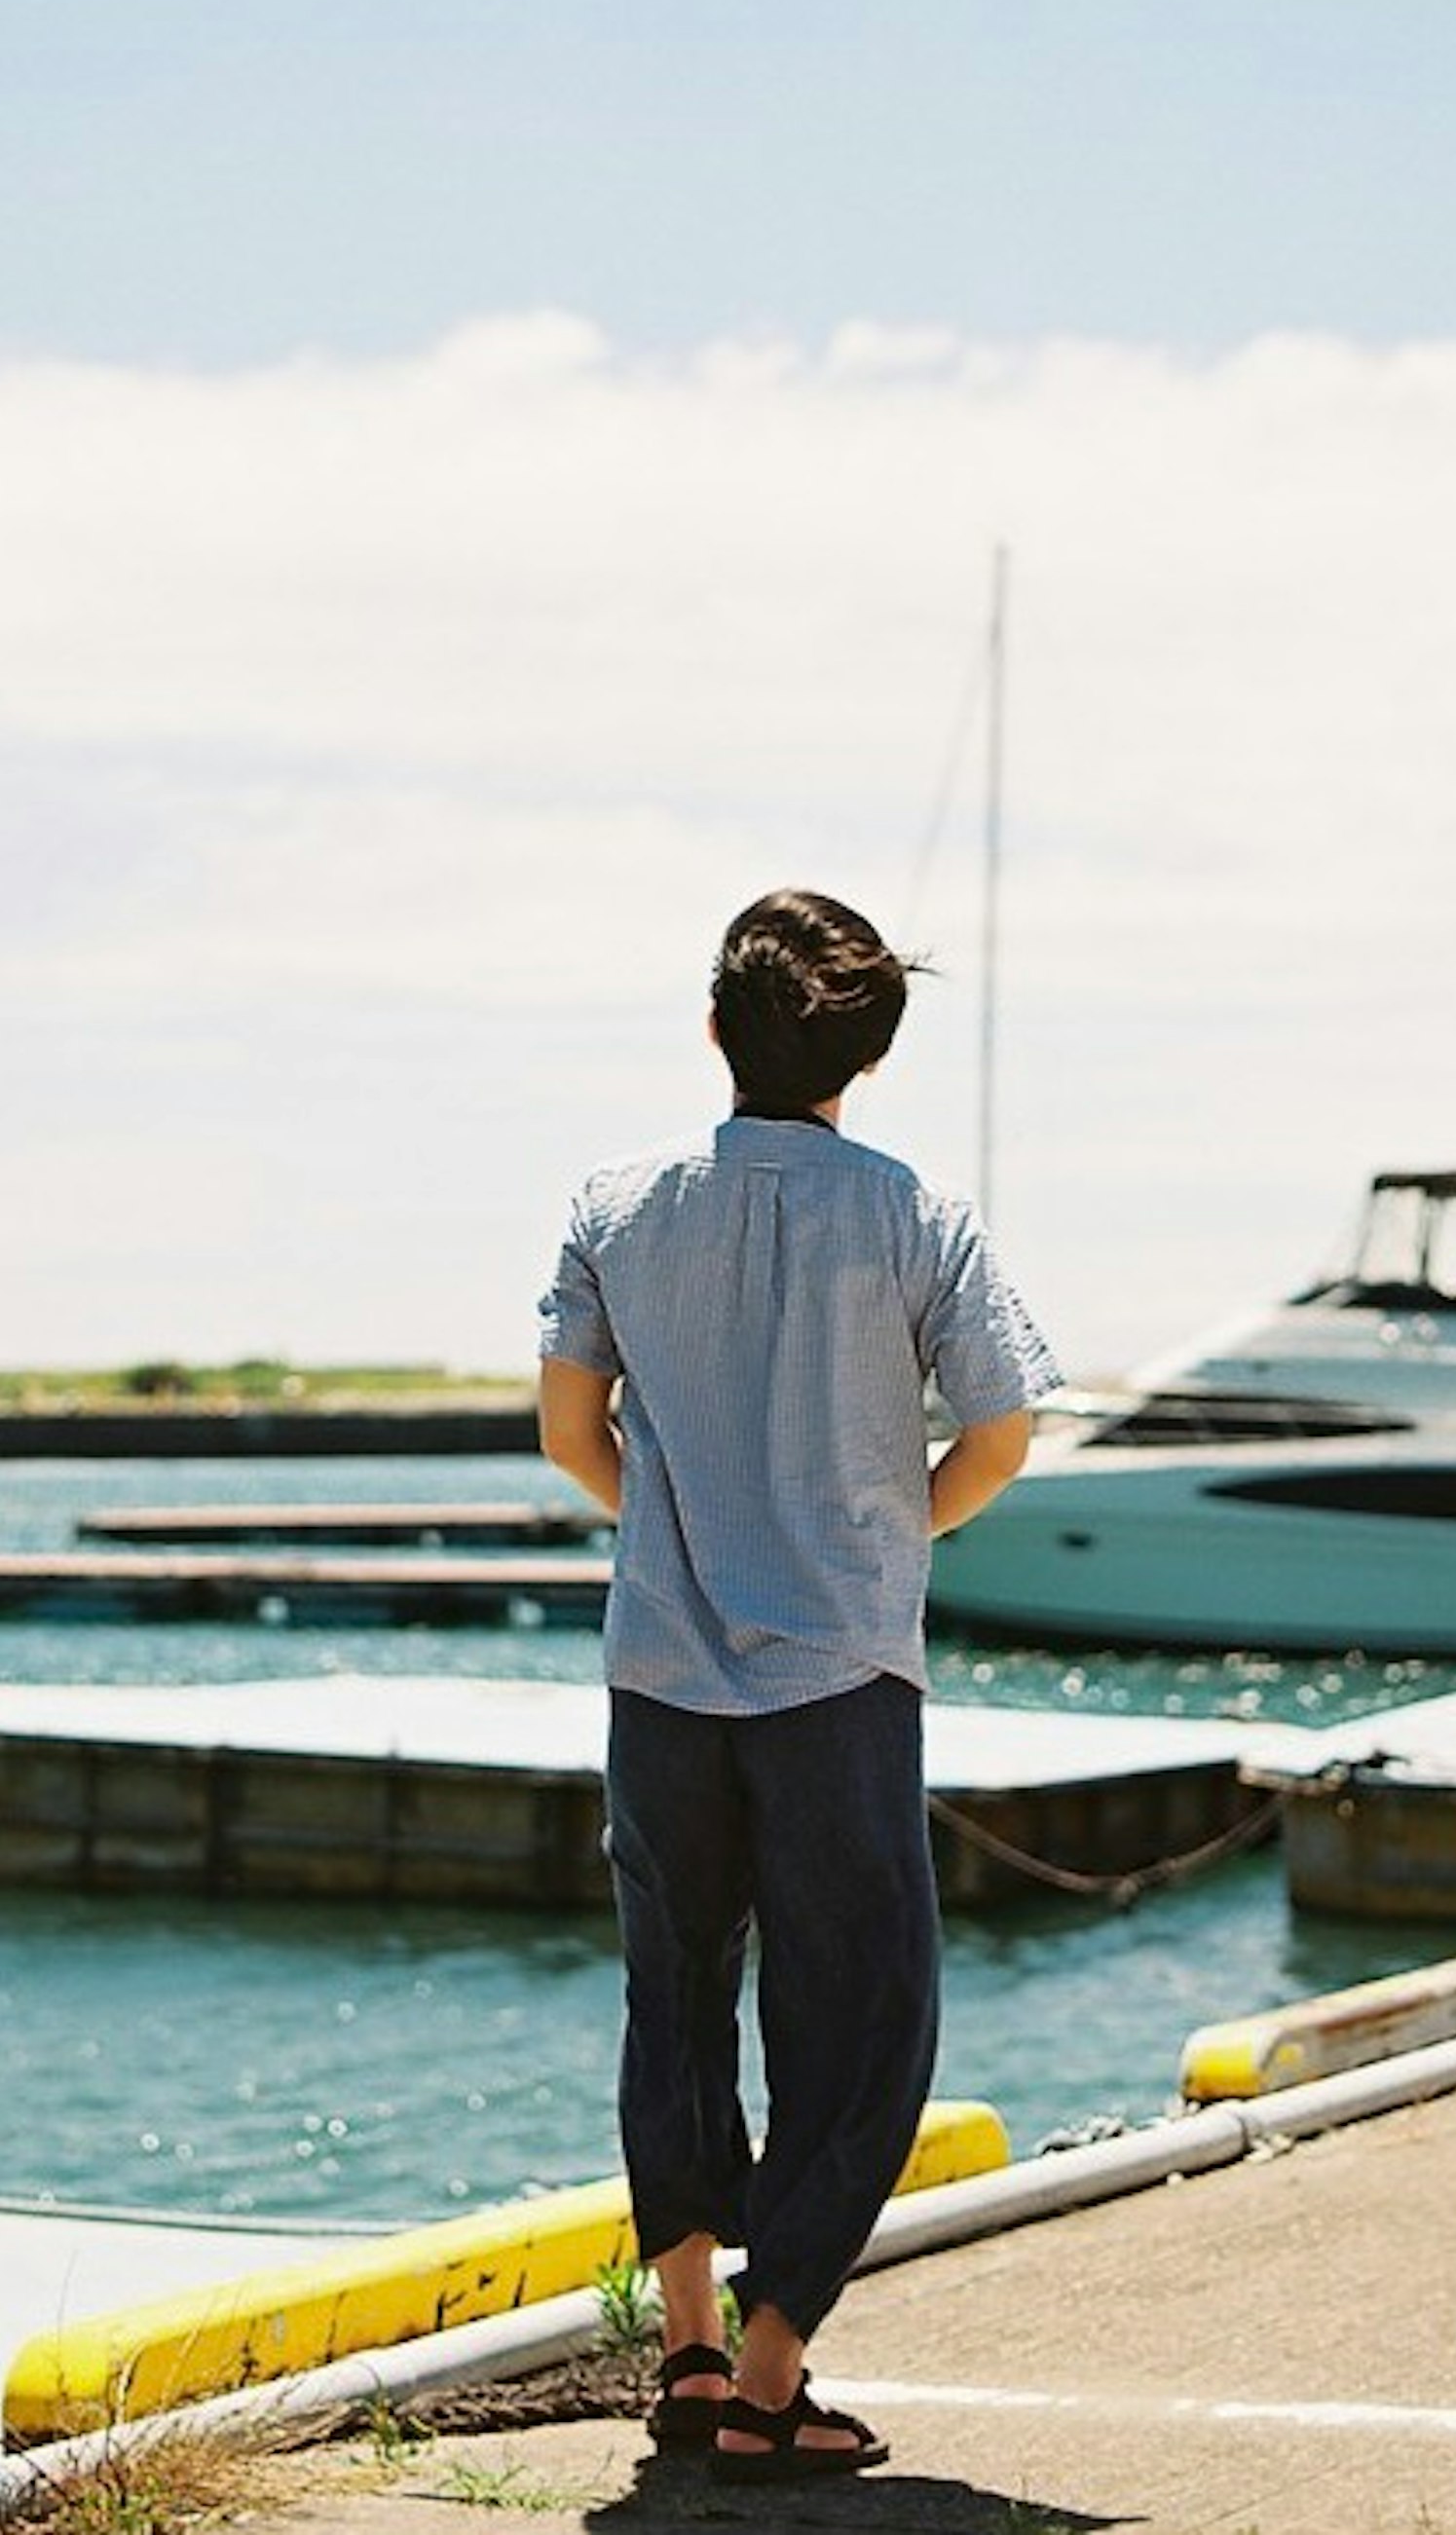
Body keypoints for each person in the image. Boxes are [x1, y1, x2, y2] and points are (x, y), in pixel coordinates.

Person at [537, 887, 1059, 2479]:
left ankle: (688, 2352)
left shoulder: (616, 1205)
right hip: (840, 1669)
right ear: (870, 1053)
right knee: (868, 2016)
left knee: (674, 1995)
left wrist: (685, 1534)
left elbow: (573, 1435)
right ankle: (773, 2376)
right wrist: (886, 1533)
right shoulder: (917, 1215)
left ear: (716, 1029)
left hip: (661, 1673)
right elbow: (1004, 1430)